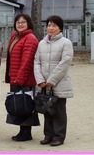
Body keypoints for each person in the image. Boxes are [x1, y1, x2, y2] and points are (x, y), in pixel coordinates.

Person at [34, 15, 74, 147]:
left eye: (54, 26)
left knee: (59, 111)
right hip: (43, 83)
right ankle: (48, 135)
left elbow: (65, 63)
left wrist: (51, 80)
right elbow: (36, 62)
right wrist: (40, 79)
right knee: (47, 110)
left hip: (59, 83)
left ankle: (59, 136)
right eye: (49, 25)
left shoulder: (65, 43)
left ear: (60, 28)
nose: (51, 28)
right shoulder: (41, 43)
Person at [5, 13, 40, 142]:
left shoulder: (30, 38)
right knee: (19, 103)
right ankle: (22, 131)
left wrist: (19, 78)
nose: (20, 24)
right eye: (18, 22)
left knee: (25, 104)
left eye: (23, 22)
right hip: (15, 76)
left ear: (28, 24)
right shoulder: (15, 36)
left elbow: (27, 61)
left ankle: (26, 132)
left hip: (24, 78)